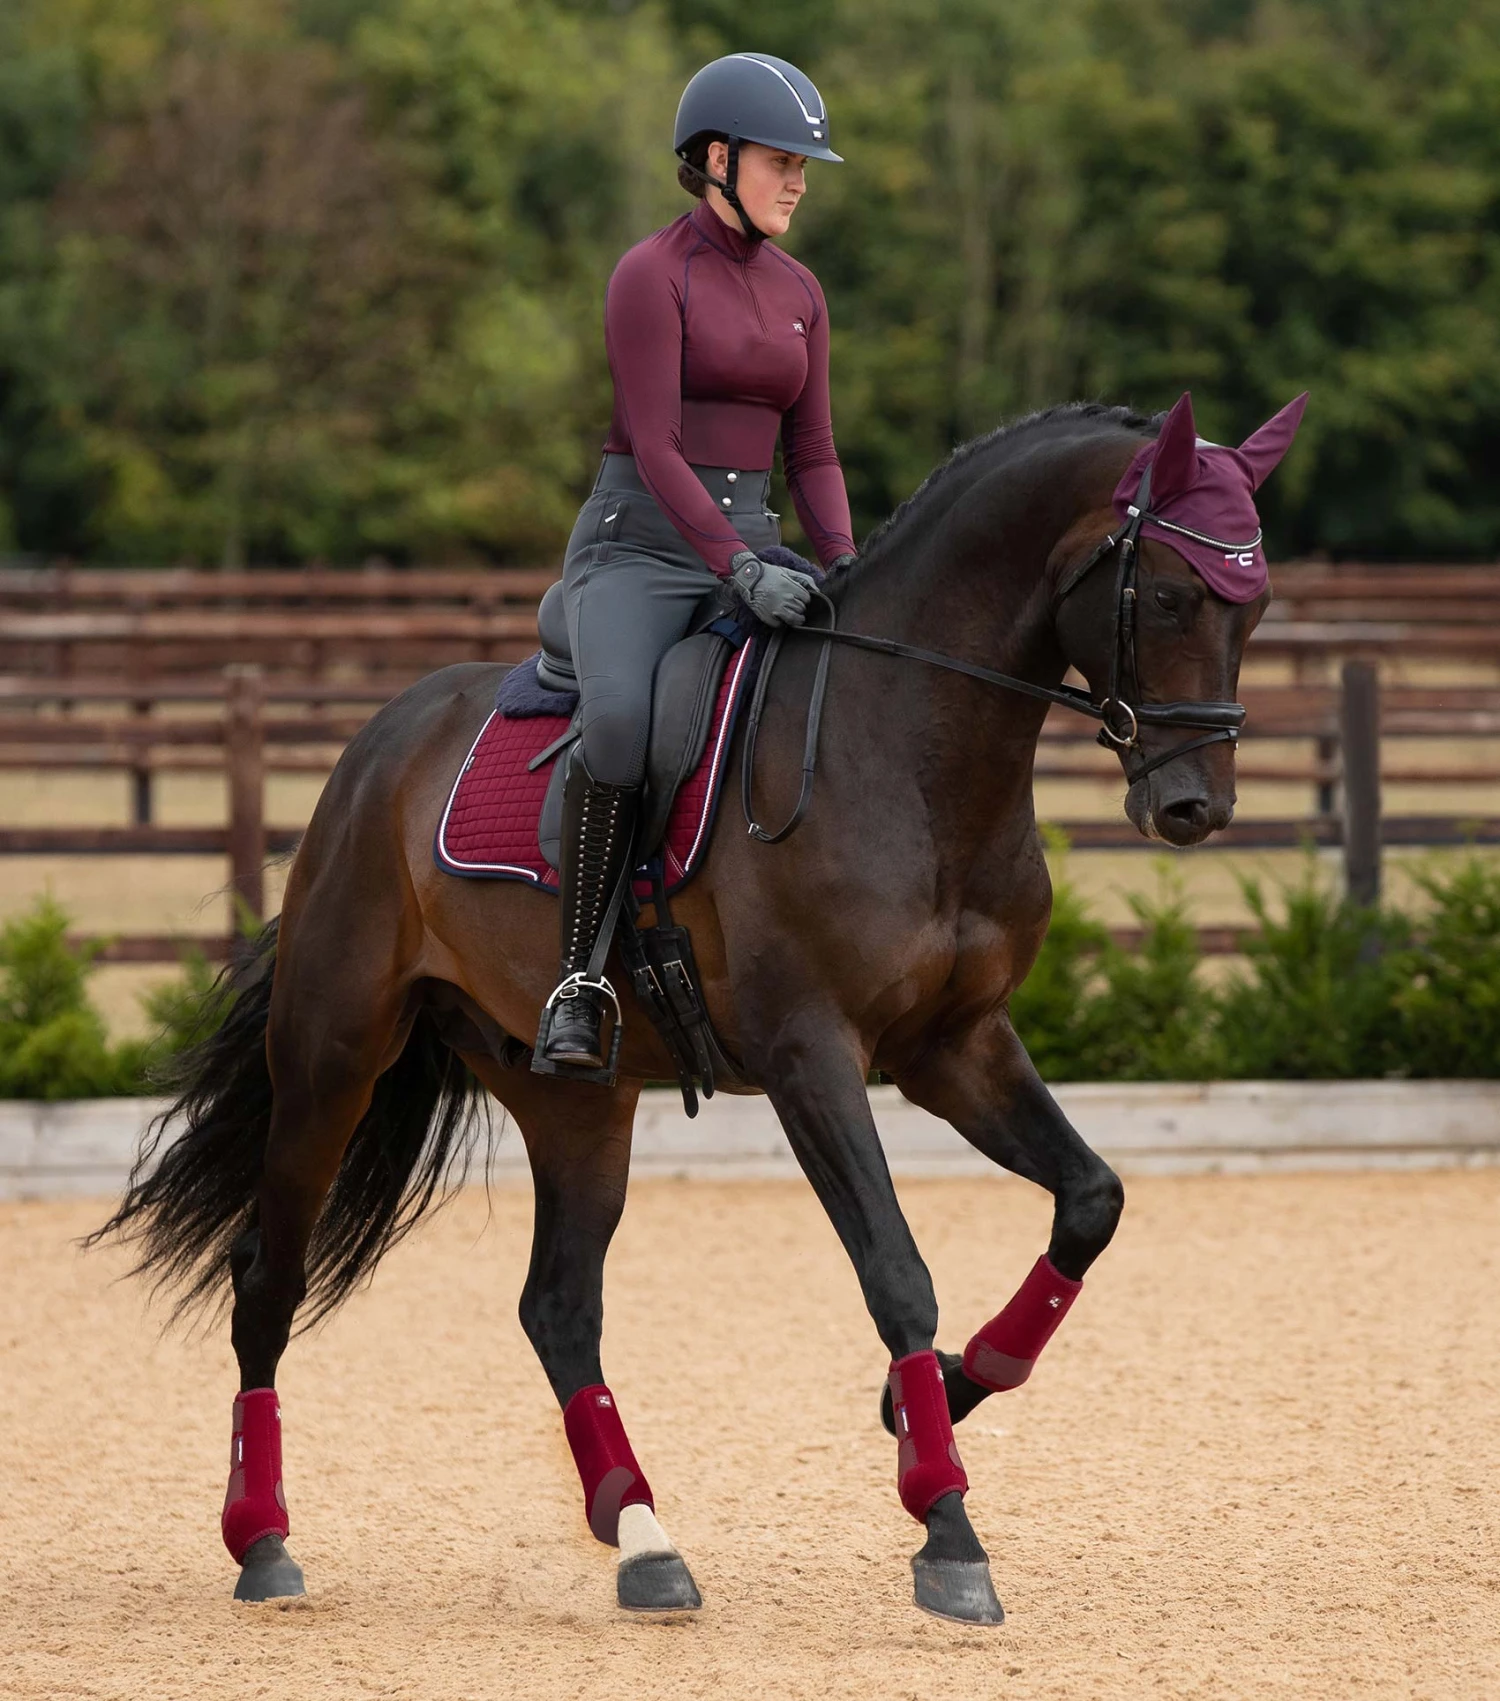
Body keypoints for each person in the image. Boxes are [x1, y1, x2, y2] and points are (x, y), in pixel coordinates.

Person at [536, 51, 859, 1073]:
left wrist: (843, 567)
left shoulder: (802, 289)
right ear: (716, 158)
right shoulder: (650, 274)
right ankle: (578, 980)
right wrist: (733, 564)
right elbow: (660, 443)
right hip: (637, 552)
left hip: (753, 547)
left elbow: (811, 450)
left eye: (806, 164)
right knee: (624, 724)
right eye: (781, 160)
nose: (799, 180)